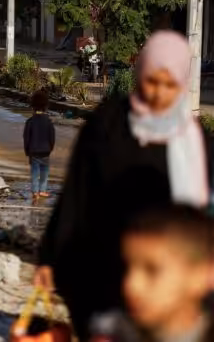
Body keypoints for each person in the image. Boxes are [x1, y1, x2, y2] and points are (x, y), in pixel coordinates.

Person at [35, 31, 213, 340]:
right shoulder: (109, 124)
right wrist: (50, 255)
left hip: (164, 275)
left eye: (170, 85)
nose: (158, 93)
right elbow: (76, 192)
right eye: (152, 82)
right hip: (101, 265)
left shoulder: (195, 143)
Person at [89, 207, 214, 341]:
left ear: (203, 276)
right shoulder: (113, 333)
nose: (131, 286)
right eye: (126, 267)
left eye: (152, 270)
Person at [23, 90, 55, 201]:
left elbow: (26, 137)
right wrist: (50, 148)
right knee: (44, 173)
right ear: (46, 106)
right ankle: (42, 190)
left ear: (33, 106)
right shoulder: (49, 122)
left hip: (34, 152)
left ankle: (35, 192)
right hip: (46, 152)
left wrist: (27, 150)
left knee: (35, 172)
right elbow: (52, 137)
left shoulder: (30, 122)